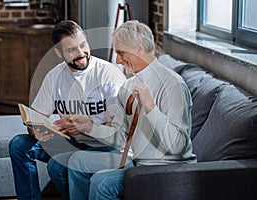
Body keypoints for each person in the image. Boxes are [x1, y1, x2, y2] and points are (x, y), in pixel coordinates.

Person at [54, 20, 197, 200]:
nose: (117, 60)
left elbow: (178, 146)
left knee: (102, 182)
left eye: (121, 52)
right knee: (77, 162)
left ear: (138, 48)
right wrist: (89, 126)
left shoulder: (173, 85)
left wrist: (151, 108)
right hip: (137, 161)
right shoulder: (128, 86)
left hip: (167, 167)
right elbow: (121, 137)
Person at [8, 20, 126, 200]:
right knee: (19, 145)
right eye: (71, 50)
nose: (81, 54)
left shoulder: (109, 74)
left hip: (105, 146)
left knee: (57, 166)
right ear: (59, 53)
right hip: (72, 142)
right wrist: (37, 131)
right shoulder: (55, 76)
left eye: (83, 45)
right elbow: (36, 117)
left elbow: (119, 130)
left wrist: (87, 126)